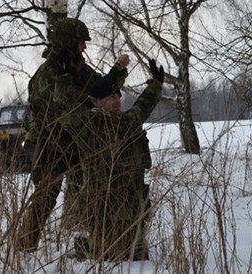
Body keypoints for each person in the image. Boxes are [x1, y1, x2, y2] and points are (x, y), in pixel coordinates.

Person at [16, 17, 130, 252]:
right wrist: (91, 106)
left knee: (95, 191)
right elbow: (60, 108)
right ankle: (25, 247)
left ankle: (97, 242)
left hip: (80, 140)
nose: (84, 47)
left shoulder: (78, 66)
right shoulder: (46, 75)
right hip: (53, 144)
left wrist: (116, 73)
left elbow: (99, 88)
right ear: (68, 43)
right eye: (80, 42)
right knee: (45, 197)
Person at [54, 58, 164, 261]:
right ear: (96, 102)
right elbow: (63, 104)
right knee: (108, 257)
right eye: (110, 97)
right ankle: (83, 248)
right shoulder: (88, 126)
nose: (116, 100)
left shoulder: (127, 122)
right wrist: (62, 79)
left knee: (137, 256)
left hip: (133, 206)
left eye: (117, 95)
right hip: (104, 211)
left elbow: (143, 105)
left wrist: (155, 84)